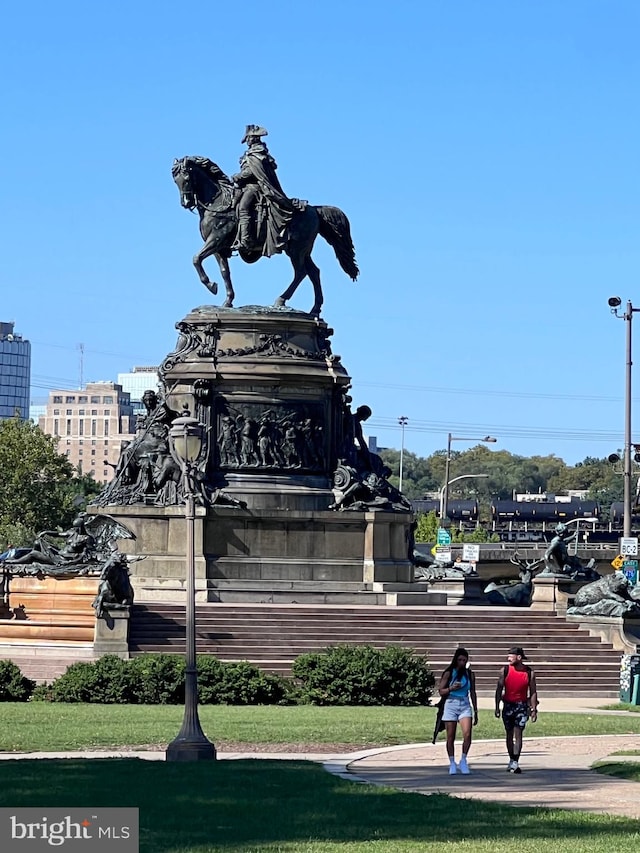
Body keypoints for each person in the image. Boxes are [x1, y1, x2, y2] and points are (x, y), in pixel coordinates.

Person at [232, 125, 296, 256]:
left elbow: (252, 172)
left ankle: (245, 240)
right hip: (245, 186)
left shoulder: (258, 153)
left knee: (243, 207)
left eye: (248, 138)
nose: (247, 141)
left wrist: (237, 176)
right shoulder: (250, 153)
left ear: (254, 138)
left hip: (256, 188)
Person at [494, 646, 539, 774]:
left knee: (518, 733)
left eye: (511, 656)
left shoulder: (529, 673)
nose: (508, 658)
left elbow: (533, 691)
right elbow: (499, 689)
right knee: (509, 733)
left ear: (519, 657)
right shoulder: (505, 670)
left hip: (521, 706)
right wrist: (497, 706)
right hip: (508, 705)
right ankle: (511, 759)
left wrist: (533, 709)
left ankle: (515, 761)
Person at [437, 647, 478, 775]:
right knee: (451, 736)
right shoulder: (449, 672)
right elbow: (441, 690)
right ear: (456, 660)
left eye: (464, 660)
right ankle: (452, 761)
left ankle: (464, 759)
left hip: (464, 704)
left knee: (467, 734)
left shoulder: (469, 674)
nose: (462, 663)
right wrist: (451, 688)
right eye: (459, 660)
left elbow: (472, 692)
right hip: (451, 703)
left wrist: (475, 710)